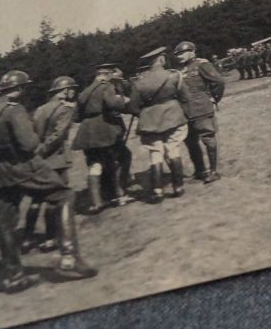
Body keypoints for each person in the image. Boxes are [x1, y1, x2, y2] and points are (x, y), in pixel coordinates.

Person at [0, 70, 96, 291]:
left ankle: (14, 275)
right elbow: (29, 143)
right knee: (65, 196)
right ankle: (69, 257)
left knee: (4, 222)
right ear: (18, 89)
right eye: (23, 87)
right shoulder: (15, 110)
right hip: (23, 166)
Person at [22, 75, 77, 249]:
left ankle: (27, 238)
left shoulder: (40, 109)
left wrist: (38, 152)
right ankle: (51, 238)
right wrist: (44, 149)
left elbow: (34, 132)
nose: (72, 93)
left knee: (37, 199)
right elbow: (58, 136)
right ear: (65, 91)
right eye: (71, 89)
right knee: (56, 199)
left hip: (40, 160)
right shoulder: (65, 109)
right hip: (57, 159)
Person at [74, 62, 134, 212]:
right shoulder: (106, 86)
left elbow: (76, 116)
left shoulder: (85, 91)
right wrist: (124, 100)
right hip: (104, 130)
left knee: (95, 164)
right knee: (122, 158)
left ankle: (96, 202)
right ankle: (120, 195)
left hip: (87, 132)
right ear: (107, 74)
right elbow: (113, 104)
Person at [131, 47, 188, 201]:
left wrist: (147, 114)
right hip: (173, 117)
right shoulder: (173, 75)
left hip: (150, 122)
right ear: (161, 60)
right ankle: (178, 186)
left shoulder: (139, 82)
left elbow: (133, 107)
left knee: (156, 154)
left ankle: (157, 190)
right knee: (173, 150)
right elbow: (185, 97)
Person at [173, 41, 227, 183]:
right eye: (177, 54)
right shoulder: (178, 70)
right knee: (191, 142)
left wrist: (215, 98)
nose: (179, 56)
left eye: (182, 53)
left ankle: (213, 171)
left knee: (208, 139)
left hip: (201, 108)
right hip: (185, 112)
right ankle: (200, 170)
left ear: (192, 52)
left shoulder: (202, 64)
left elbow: (219, 81)